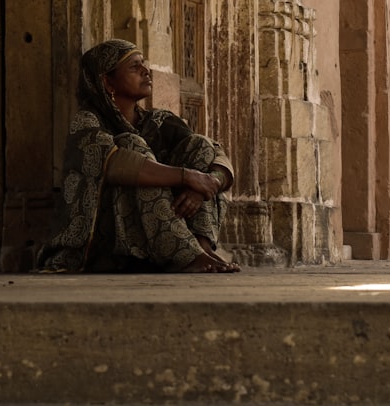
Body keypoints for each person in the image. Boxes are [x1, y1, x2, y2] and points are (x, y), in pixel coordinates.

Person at [37, 39, 240, 273]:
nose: (145, 70)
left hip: (163, 233)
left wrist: (206, 183)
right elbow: (115, 164)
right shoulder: (88, 121)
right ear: (108, 82)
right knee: (133, 147)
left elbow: (217, 155)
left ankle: (201, 250)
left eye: (143, 64)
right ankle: (185, 255)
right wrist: (186, 177)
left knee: (200, 145)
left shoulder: (159, 121)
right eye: (134, 67)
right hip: (107, 239)